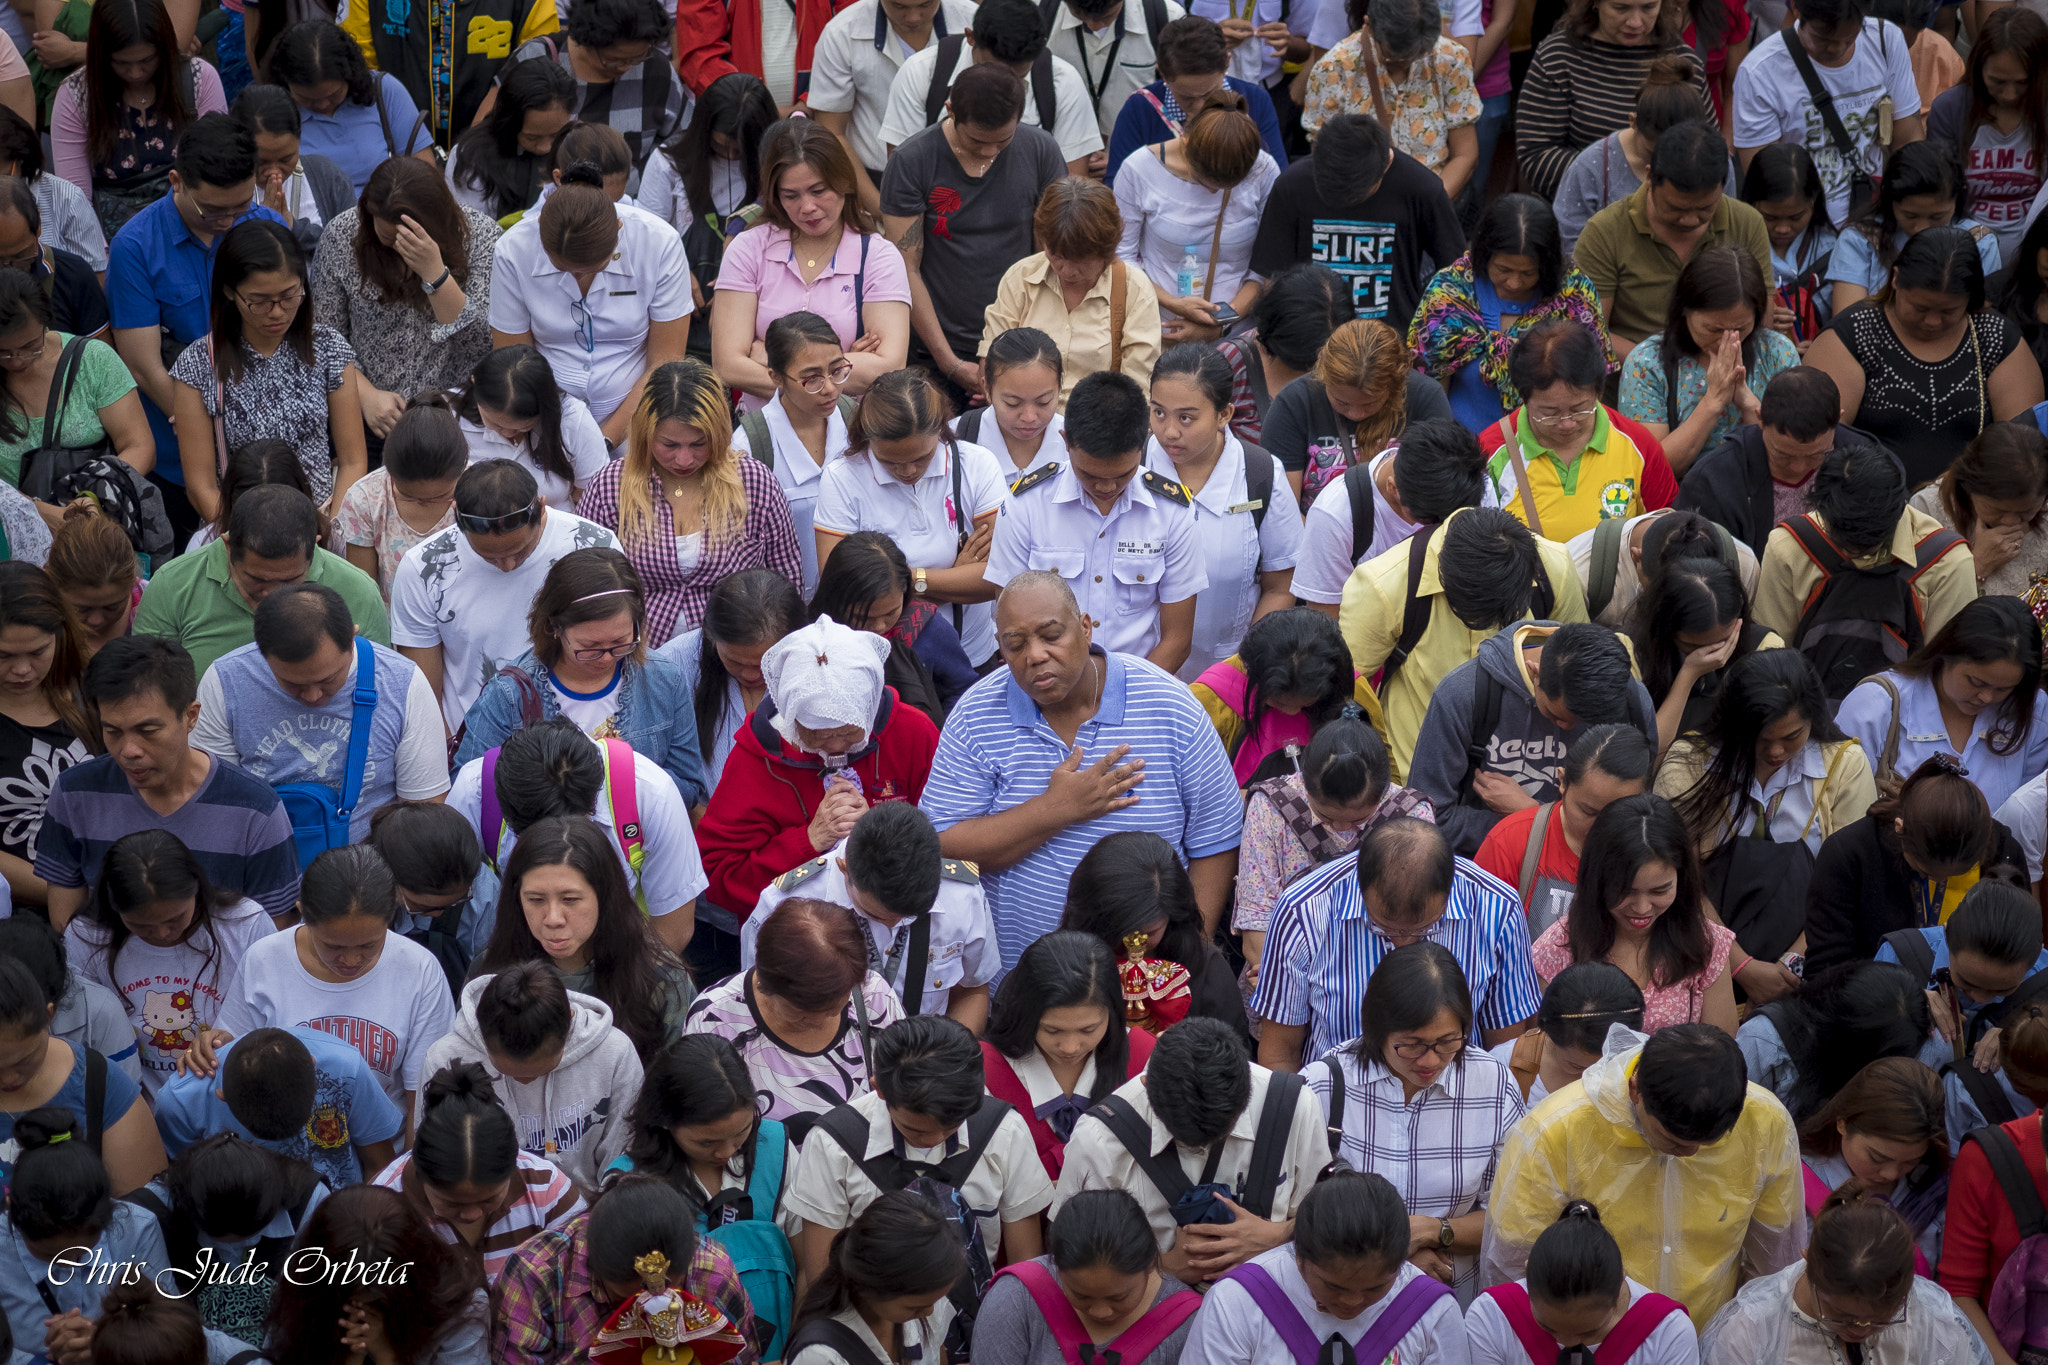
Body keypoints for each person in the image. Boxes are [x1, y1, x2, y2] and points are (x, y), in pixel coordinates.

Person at [921, 572, 1243, 965]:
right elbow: (942, 843)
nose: (1035, 655)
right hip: (1022, 979)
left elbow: (1217, 839)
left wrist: (1189, 960)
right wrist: (1057, 810)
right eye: (1015, 644)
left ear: (1086, 628)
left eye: (1051, 635)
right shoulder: (976, 716)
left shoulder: (1171, 705)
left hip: (1150, 980)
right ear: (999, 649)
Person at [1483, 1023, 1805, 1326]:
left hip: (1707, 1339)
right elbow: (1513, 1270)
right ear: (1635, 1090)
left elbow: (1775, 1264)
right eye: (1674, 1142)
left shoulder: (1766, 1123)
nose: (1690, 1154)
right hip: (1597, 1343)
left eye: (1707, 1145)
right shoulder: (1553, 1132)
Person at [1299, 942, 1526, 1304]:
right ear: (1377, 1030)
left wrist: (1434, 1231)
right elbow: (1299, 1213)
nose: (1431, 1060)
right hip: (1348, 1300)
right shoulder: (1323, 1085)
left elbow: (1515, 1214)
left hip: (1450, 1294)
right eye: (1411, 1045)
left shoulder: (1493, 1084)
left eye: (1448, 1042)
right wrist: (1398, 1256)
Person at [104, 113, 288, 544]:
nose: (227, 221)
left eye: (241, 206)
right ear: (176, 181)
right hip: (176, 451)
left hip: (267, 446)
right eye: (213, 210)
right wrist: (206, 431)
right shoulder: (135, 246)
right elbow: (143, 366)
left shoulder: (268, 228)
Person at [38, 635, 298, 930]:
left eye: (147, 730)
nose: (129, 751)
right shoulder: (76, 793)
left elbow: (271, 932)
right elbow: (65, 921)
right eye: (112, 731)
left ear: (190, 716)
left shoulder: (255, 809)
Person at [788, 1015, 1052, 1301]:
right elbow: (820, 1274)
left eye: (950, 1127)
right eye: (914, 1129)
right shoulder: (832, 1144)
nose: (933, 1140)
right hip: (869, 1323)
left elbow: (1025, 1266)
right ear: (879, 1089)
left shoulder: (1004, 1130)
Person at [697, 613, 937, 919]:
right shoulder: (757, 758)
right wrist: (808, 840)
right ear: (790, 717)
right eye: (818, 735)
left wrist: (880, 833)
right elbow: (719, 875)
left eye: (850, 732)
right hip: (799, 936)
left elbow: (950, 835)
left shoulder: (911, 733)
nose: (837, 746)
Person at [1055, 1016, 1330, 1282]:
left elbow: (1329, 1221)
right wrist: (1163, 1269)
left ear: (1249, 1091)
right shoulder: (1098, 1140)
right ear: (1146, 1086)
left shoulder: (1294, 1107)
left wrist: (1277, 1235)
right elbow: (1070, 1263)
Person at [190, 844, 454, 1120]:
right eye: (333, 946)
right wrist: (214, 1047)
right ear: (302, 913)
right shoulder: (264, 960)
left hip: (386, 1150)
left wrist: (403, 1164)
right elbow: (235, 1057)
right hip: (283, 1141)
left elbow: (423, 1101)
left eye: (369, 944)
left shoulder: (419, 969)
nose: (351, 959)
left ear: (390, 918)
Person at [1252, 817, 1540, 1067]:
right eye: (1384, 927)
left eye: (1426, 928)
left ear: (1449, 891)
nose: (1404, 943)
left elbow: (1506, 1051)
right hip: (1336, 1108)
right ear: (1360, 885)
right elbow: (1280, 1053)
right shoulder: (1303, 909)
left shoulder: (1497, 908)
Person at [191, 580, 448, 849]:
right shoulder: (225, 682)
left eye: (328, 680)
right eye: (293, 684)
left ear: (352, 638)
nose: (312, 696)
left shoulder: (402, 683)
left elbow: (425, 812)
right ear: (262, 654)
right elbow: (216, 807)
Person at [1340, 505, 1589, 782]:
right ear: (1447, 579)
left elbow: (1579, 664)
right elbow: (1347, 689)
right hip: (1420, 781)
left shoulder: (1554, 568)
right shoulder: (1383, 585)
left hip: (1527, 780)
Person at [984, 370, 1204, 672]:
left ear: (1144, 445)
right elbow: (1010, 623)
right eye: (1088, 474)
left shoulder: (1173, 510)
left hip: (1139, 685)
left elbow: (1177, 639)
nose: (1105, 487)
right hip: (1045, 684)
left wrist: (1120, 697)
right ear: (1065, 441)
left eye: (1122, 475)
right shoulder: (1026, 504)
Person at [451, 547, 706, 806]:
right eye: (590, 647)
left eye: (620, 642)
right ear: (554, 627)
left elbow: (688, 787)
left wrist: (626, 770)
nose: (607, 658)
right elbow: (469, 787)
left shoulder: (664, 678)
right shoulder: (509, 694)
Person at [575, 359, 803, 644]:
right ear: (645, 433)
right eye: (669, 445)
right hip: (638, 655)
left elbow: (786, 582)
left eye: (699, 444)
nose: (684, 459)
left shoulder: (754, 483)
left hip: (733, 652)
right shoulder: (610, 487)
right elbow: (582, 584)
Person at [880, 64, 1068, 409]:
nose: (989, 152)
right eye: (977, 141)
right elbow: (905, 268)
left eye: (1003, 140)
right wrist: (949, 362)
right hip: (937, 346)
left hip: (1024, 342)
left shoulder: (1040, 150)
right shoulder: (913, 160)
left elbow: (1050, 259)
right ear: (951, 111)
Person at [391, 459, 622, 734]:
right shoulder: (423, 568)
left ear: (542, 508)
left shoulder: (594, 546)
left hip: (581, 739)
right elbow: (424, 696)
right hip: (475, 744)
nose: (507, 566)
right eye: (489, 556)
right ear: (456, 514)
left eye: (521, 552)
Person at [449, 717, 706, 955]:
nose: (554, 919)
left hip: (622, 964)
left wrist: (618, 990)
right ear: (505, 807)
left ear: (593, 801)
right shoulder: (475, 793)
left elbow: (673, 928)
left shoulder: (651, 794)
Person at [1809, 226, 2043, 486]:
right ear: (1896, 279)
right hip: (1871, 504)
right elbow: (1822, 442)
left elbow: (2023, 447)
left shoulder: (1995, 337)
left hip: (1972, 506)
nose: (1932, 321)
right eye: (1920, 307)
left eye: (1949, 311)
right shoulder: (1853, 335)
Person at [167, 218, 366, 521]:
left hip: (320, 523)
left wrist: (331, 529)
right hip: (241, 528)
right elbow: (201, 486)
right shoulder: (198, 364)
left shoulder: (328, 347)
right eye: (259, 301)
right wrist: (245, 538)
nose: (277, 312)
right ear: (230, 292)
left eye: (289, 296)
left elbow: (352, 461)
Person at [1409, 620, 1657, 856]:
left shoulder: (1632, 703)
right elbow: (1425, 817)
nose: (1568, 727)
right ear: (1534, 671)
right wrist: (1523, 826)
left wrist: (1531, 815)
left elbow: (1635, 818)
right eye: (1554, 715)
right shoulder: (1463, 695)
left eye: (1583, 724)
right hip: (1485, 866)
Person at [813, 366, 1006, 668]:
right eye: (890, 461)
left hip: (970, 656)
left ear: (941, 430)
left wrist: (901, 582)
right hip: (883, 663)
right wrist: (954, 577)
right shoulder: (841, 478)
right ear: (867, 439)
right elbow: (844, 591)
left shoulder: (977, 465)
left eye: (921, 458)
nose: (907, 471)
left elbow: (998, 576)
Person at [709, 119, 909, 408]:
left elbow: (889, 367)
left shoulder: (879, 256)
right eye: (791, 195)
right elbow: (727, 365)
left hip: (850, 431)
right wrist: (840, 365)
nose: (807, 207)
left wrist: (775, 360)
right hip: (763, 430)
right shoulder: (747, 247)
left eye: (818, 191)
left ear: (844, 182)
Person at [745, 800, 996, 1027]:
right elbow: (762, 1006)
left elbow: (972, 990)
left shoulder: (963, 895)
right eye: (874, 915)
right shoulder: (783, 906)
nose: (895, 925)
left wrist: (948, 1065)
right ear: (845, 868)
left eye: (911, 916)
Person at [1177, 1169, 1464, 1363]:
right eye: (1333, 1286)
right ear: (1297, 1254)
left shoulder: (1433, 1312)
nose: (1351, 1302)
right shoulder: (1236, 1302)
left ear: (1402, 1263)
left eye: (1376, 1288)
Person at [62, 828, 271, 1095]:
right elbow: (77, 1039)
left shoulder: (244, 924)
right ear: (114, 908)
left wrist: (235, 1043)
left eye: (175, 919)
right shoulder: (87, 936)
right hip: (129, 1102)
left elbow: (274, 1018)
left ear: (196, 889)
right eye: (141, 925)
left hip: (223, 1097)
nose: (162, 934)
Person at [488, 171, 691, 446]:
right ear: (541, 239)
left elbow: (664, 362)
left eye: (592, 268)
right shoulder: (512, 249)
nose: (577, 278)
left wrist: (603, 443)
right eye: (562, 268)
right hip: (541, 420)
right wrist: (555, 442)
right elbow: (515, 363)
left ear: (619, 230)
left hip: (640, 415)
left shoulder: (661, 242)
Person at [467, 815, 695, 1059]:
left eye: (570, 900)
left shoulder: (662, 977)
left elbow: (675, 1083)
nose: (553, 918)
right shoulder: (489, 971)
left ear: (605, 896)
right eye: (535, 900)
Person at [1236, 711, 1435, 991]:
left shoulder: (1411, 814)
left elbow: (1417, 921)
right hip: (1287, 980)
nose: (1341, 827)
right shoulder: (1272, 806)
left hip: (1381, 984)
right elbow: (1256, 917)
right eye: (1326, 817)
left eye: (1358, 821)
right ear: (1304, 783)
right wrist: (1288, 984)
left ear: (1383, 793)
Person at [1751, 440, 1977, 682]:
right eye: (1845, 541)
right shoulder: (1790, 546)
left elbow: (1944, 674)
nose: (1853, 552)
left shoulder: (1948, 563)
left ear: (1899, 510)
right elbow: (1769, 663)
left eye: (1866, 543)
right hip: (1804, 710)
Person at [684, 896, 904, 1142]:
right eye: (802, 1014)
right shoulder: (716, 1021)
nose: (820, 1022)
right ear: (768, 984)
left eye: (834, 1010)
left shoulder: (872, 996)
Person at [312, 158, 501, 444]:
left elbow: (482, 346)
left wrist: (436, 275)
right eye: (390, 240)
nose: (401, 248)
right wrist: (365, 395)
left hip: (460, 418)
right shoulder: (341, 235)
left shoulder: (481, 236)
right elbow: (324, 338)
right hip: (369, 415)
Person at [414, 962, 641, 1197]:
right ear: (482, 1032)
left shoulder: (614, 1053)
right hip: (481, 1210)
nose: (526, 1080)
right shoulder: (446, 1058)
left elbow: (623, 1156)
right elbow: (431, 1157)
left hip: (586, 1213)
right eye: (508, 1071)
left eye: (542, 1069)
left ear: (568, 1026)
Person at [1144, 344, 1301, 680]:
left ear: (1224, 414)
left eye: (1186, 417)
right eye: (1158, 412)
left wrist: (1242, 668)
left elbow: (1281, 586)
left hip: (1228, 683)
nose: (1169, 431)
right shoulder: (1130, 468)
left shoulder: (1261, 474)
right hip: (1139, 680)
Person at [1803, 756, 2029, 981]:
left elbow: (2020, 950)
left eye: (1958, 874)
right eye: (1926, 872)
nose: (1940, 881)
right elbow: (1825, 971)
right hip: (1875, 1004)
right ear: (1900, 829)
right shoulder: (1850, 854)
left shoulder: (2002, 850)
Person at [496, 1172, 757, 1365]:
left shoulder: (711, 1271)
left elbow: (743, 1357)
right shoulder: (534, 1274)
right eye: (624, 1300)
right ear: (592, 1264)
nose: (648, 1310)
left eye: (669, 1293)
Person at [1531, 792, 1739, 1032]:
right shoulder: (1558, 947)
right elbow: (1540, 1045)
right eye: (1624, 892)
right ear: (1597, 881)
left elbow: (1719, 1046)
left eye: (1659, 892)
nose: (1642, 908)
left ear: (1681, 880)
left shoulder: (1707, 945)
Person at [134, 487, 388, 683]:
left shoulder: (358, 591)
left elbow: (379, 684)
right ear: (228, 546)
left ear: (315, 545)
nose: (273, 594)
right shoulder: (172, 585)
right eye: (258, 580)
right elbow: (150, 690)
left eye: (289, 580)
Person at [1703, 1187, 1981, 1364]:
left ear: (1908, 1286)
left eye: (1879, 1319)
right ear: (1808, 1263)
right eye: (1840, 1315)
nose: (1859, 1330)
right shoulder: (1751, 1329)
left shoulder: (1936, 1323)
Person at [1576, 122, 1775, 366]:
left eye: (1705, 208)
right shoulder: (1605, 232)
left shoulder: (1747, 222)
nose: (1690, 219)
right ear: (1650, 177)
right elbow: (1589, 331)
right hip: (1633, 385)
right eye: (1676, 208)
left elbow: (1761, 317)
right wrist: (1670, 368)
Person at [1410, 194, 1609, 434]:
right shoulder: (1448, 293)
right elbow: (1428, 380)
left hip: (1551, 449)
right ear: (1484, 254)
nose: (1514, 283)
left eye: (1528, 273)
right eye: (1503, 269)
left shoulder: (1574, 295)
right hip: (1461, 451)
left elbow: (1591, 382)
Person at [371, 1061, 586, 1284]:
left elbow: (579, 1283)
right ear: (420, 1174)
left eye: (488, 1199)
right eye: (452, 1203)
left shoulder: (548, 1189)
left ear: (514, 1165)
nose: (471, 1215)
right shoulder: (381, 1209)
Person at [1249, 112, 1464, 335]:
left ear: (1386, 164)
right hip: (1310, 341)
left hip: (1390, 343)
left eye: (1354, 195)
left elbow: (1455, 274)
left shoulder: (1422, 188)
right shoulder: (1291, 185)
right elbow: (1270, 276)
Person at [1837, 596, 2048, 811]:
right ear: (1947, 652)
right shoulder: (1877, 703)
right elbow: (1837, 807)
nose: (1986, 697)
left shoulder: (2035, 712)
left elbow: (2029, 819)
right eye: (1976, 682)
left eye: (2004, 689)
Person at [249, 1183, 490, 1365]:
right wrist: (348, 1357)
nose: (362, 1315)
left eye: (379, 1302)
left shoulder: (462, 1308)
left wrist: (386, 1355)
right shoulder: (300, 1292)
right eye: (346, 1301)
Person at [1731, 0, 1925, 226]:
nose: (1836, 48)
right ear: (1796, 8)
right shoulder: (1760, 72)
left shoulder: (1885, 39)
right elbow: (1763, 178)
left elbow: (1909, 139)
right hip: (1804, 229)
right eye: (1821, 38)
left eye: (1849, 39)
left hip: (1875, 217)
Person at [981, 931, 1155, 1181]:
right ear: (1025, 1015)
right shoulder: (986, 1072)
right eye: (1052, 1030)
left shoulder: (1143, 1061)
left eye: (1088, 1030)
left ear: (1113, 1013)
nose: (1070, 1047)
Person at [0, 1105, 168, 1365]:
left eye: (84, 1254)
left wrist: (112, 1346)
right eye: (49, 1256)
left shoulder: (137, 1229)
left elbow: (169, 1331)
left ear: (109, 1215)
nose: (68, 1264)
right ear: (13, 1213)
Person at [1618, 245, 1803, 477]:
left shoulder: (1777, 352)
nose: (1725, 340)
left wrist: (1747, 402)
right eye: (1712, 329)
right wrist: (1714, 401)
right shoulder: (1646, 363)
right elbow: (1649, 470)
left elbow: (1793, 455)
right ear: (1684, 310)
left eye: (1740, 328)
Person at [154, 1023, 399, 1193]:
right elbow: (186, 1190)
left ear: (315, 1068)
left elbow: (380, 1168)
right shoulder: (180, 1103)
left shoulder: (345, 1067)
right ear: (222, 1096)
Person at [50, 0, 226, 237]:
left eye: (146, 61)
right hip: (111, 237)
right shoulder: (76, 96)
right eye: (122, 63)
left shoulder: (199, 79)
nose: (135, 73)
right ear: (102, 55)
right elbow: (76, 201)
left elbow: (217, 169)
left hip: (192, 230)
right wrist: (103, 261)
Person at [981, 177, 1161, 407]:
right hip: (1025, 422)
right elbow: (992, 362)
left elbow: (1137, 389)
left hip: (1098, 428)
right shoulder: (1021, 277)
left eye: (1081, 261)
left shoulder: (1133, 289)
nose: (1067, 270)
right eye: (1056, 255)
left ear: (1106, 250)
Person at [1114, 93, 1277, 346]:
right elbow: (1120, 255)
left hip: (1237, 338)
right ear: (1189, 148)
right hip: (1158, 331)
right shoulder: (1139, 169)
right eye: (1206, 181)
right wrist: (1174, 303)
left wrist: (1223, 323)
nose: (1214, 191)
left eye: (1228, 186)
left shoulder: (1264, 169)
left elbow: (1265, 266)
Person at [874, 0, 1105, 177]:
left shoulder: (1062, 81)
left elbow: (1069, 183)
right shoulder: (921, 73)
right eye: (994, 69)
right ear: (971, 37)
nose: (1005, 85)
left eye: (1018, 75)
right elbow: (903, 173)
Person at [974, 1188, 1200, 1365]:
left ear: (1150, 1264)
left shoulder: (1191, 1322)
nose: (1100, 1312)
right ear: (1056, 1266)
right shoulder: (1015, 1299)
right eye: (1080, 1295)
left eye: (1118, 1298)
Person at [1513, 0, 1711, 202]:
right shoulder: (1557, 57)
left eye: (1648, 7)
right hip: (1581, 211)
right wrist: (1623, 177)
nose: (1635, 22)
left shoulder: (1683, 62)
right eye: (1621, 8)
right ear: (1595, 4)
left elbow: (1707, 148)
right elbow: (1536, 156)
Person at [1289, 419, 1494, 612]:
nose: (1442, 528)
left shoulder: (1473, 484)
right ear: (1392, 488)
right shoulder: (1334, 516)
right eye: (1432, 522)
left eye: (1455, 518)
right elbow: (1328, 616)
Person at [0, 954, 161, 1197]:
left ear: (48, 1017)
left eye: (24, 1060)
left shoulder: (98, 1083)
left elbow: (141, 1216)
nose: (9, 1079)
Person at [1059, 830, 1248, 1037]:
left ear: (1173, 916)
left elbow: (1231, 1059)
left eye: (1148, 933)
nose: (1133, 944)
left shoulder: (1205, 970)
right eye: (1120, 933)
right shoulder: (1054, 962)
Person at [1259, 316, 1454, 512]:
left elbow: (1440, 489)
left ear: (1394, 387)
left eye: (1370, 403)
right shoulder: (1294, 403)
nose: (1356, 414)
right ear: (1324, 379)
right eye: (1341, 402)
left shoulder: (1425, 396)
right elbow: (1284, 511)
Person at [1474, 723, 1652, 936]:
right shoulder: (1510, 841)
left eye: (1617, 816)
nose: (1600, 828)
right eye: (1588, 812)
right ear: (1562, 781)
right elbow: (1477, 942)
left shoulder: (1652, 851)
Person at [1467, 1202, 1698, 1365]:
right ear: (1528, 1274)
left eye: (1590, 1332)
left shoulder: (1668, 1331)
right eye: (1548, 1327)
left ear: (1620, 1283)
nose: (1566, 1342)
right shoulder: (1492, 1316)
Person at [1676, 366, 1871, 557]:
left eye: (1815, 456)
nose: (1798, 468)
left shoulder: (1866, 464)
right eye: (1783, 455)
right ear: (1759, 418)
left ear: (1838, 420)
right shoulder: (1713, 480)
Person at [805, 0, 978, 214]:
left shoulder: (973, 20)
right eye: (900, 7)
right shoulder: (841, 33)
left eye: (925, 5)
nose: (914, 17)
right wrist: (881, 209)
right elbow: (832, 132)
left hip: (965, 187)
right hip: (873, 182)